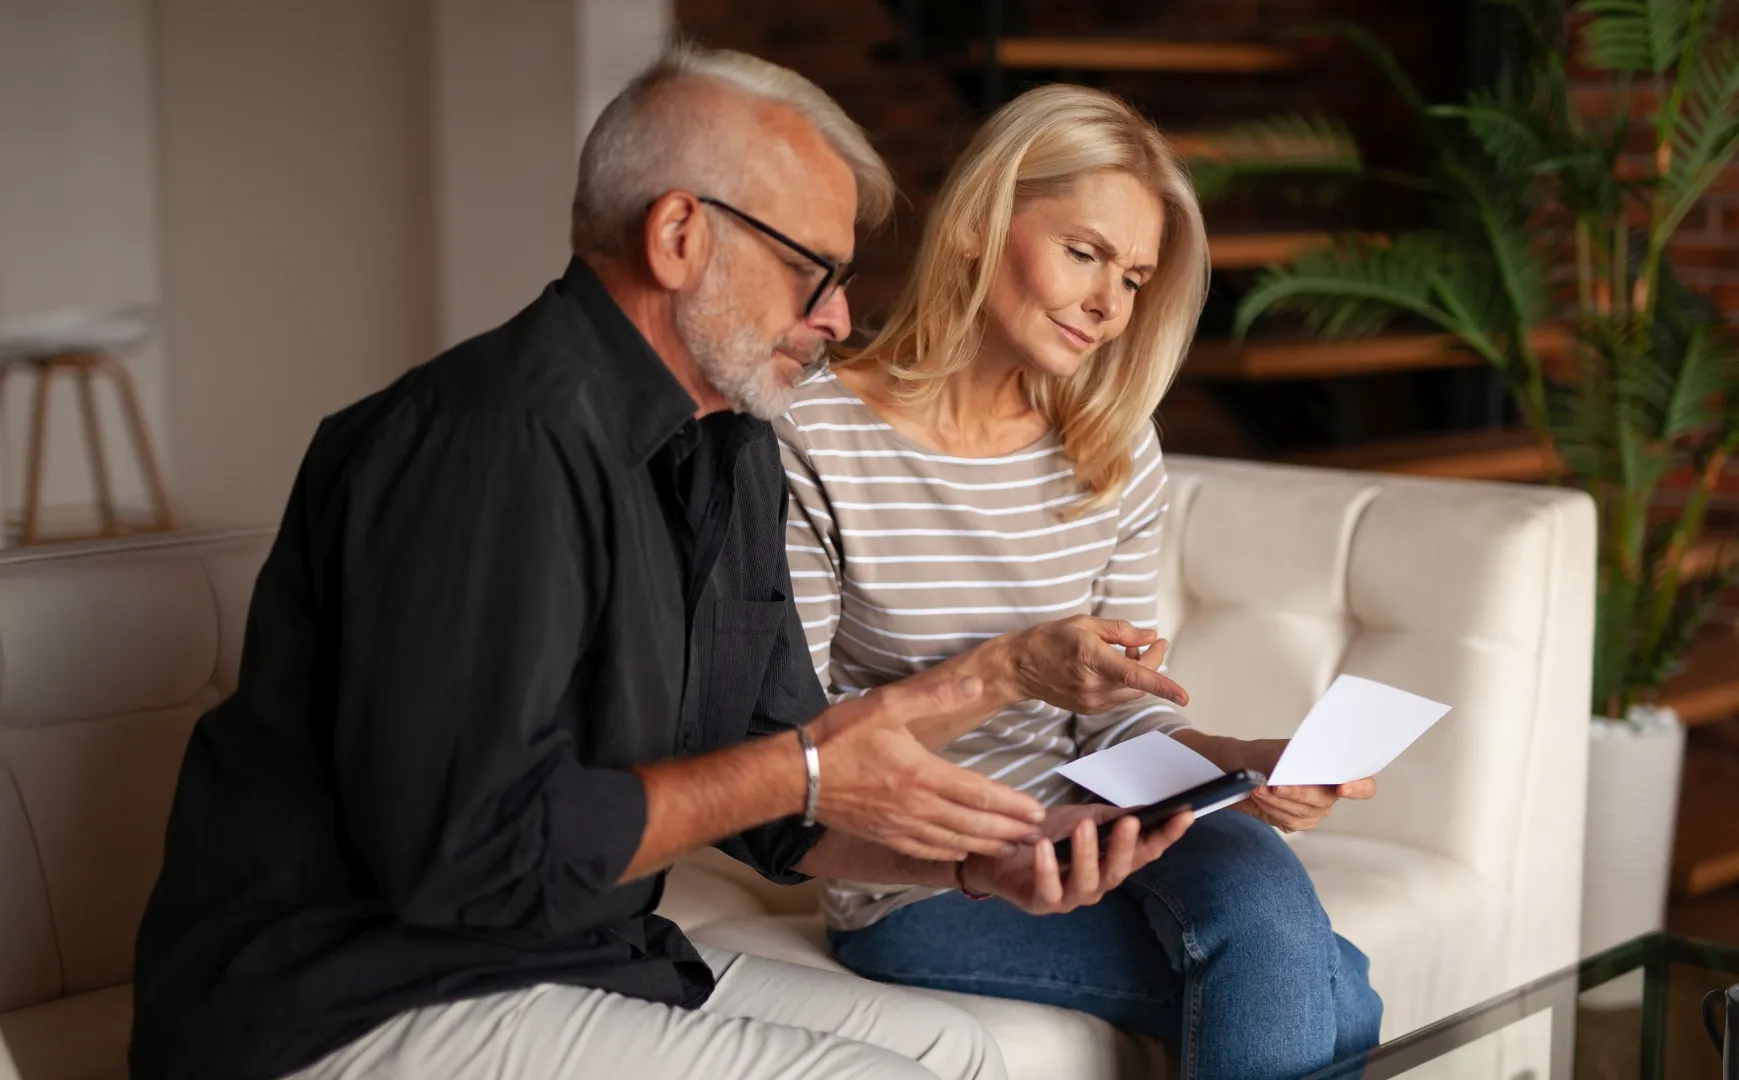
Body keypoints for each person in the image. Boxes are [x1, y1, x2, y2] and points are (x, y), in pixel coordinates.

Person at [130, 47, 1192, 1080]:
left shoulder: (730, 451)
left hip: (568, 959)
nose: (837, 318)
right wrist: (814, 763)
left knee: (959, 1052)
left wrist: (969, 865)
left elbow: (778, 797)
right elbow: (466, 852)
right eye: (810, 271)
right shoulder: (489, 441)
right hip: (352, 1000)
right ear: (681, 234)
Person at [775, 83, 1386, 1080]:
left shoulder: (1108, 447)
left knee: (1272, 913)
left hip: (1113, 829)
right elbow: (801, 756)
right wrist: (1010, 672)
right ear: (978, 225)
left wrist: (1240, 761)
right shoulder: (813, 438)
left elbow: (1109, 733)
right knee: (1332, 988)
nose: (1110, 305)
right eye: (1085, 252)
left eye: (1136, 277)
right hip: (926, 877)